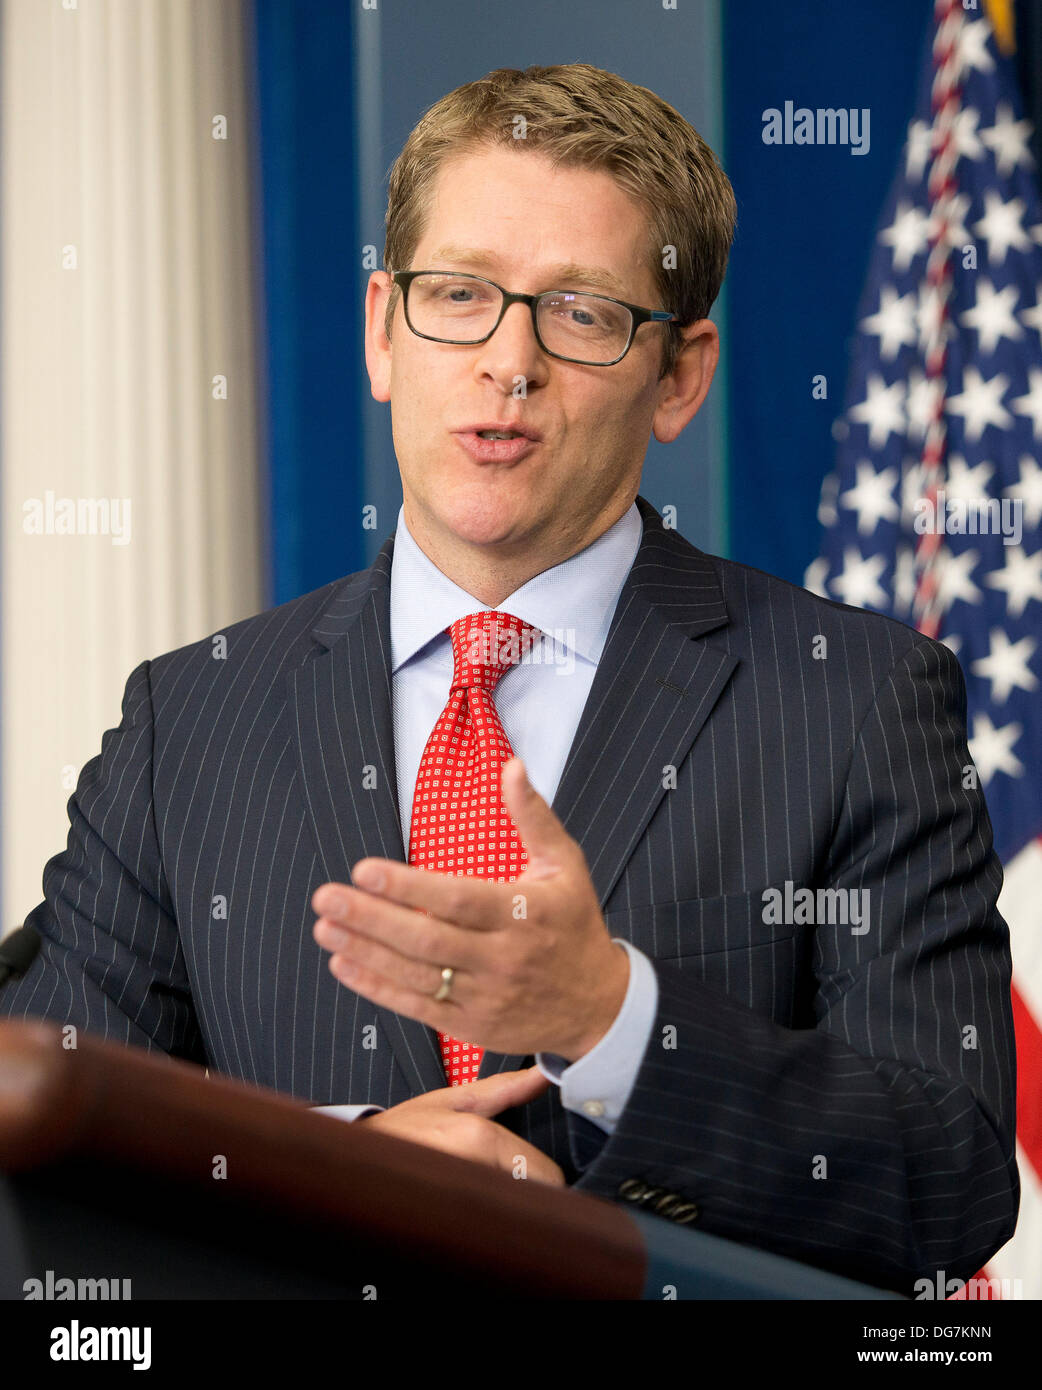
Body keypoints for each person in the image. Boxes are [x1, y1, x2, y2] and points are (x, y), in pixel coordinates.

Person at [1, 63, 1017, 1294]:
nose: (509, 361)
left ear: (680, 374)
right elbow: (48, 1129)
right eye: (459, 296)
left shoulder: (854, 699)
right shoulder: (190, 719)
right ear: (384, 330)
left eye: (582, 312)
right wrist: (352, 1161)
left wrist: (611, 1019)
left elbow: (948, 1176)